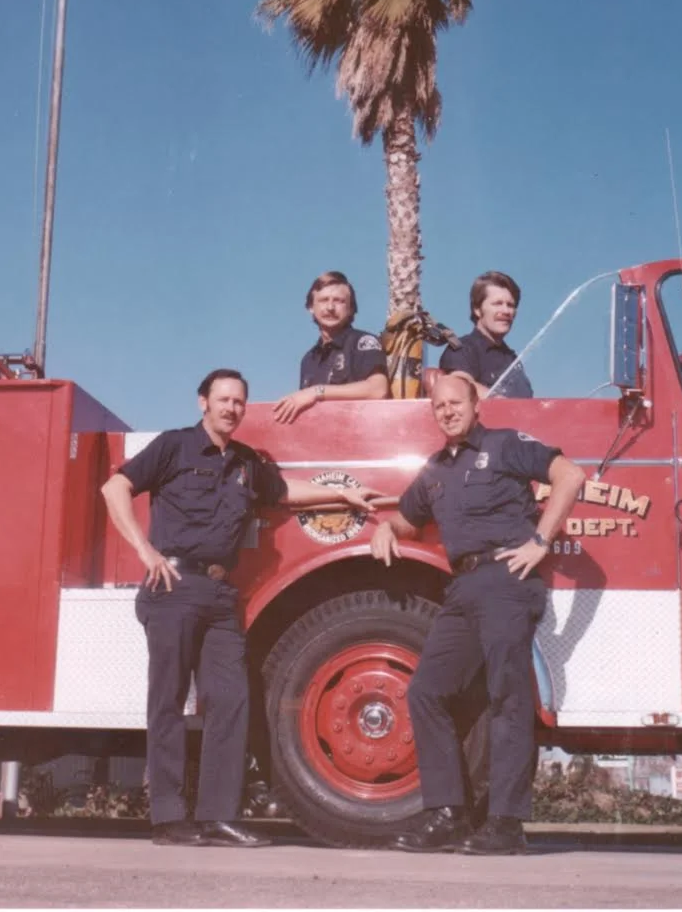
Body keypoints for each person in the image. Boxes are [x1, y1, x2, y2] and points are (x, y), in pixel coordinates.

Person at [102, 368, 382, 847]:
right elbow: (115, 489)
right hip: (173, 585)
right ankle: (169, 819)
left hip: (220, 595)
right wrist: (146, 553)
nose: (231, 408)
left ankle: (218, 816)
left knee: (231, 702)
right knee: (167, 702)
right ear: (202, 403)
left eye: (238, 402)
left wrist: (341, 493)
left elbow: (285, 493)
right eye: (223, 399)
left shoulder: (248, 463)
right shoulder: (174, 446)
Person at [369, 372, 585, 854]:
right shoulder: (434, 470)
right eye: (439, 406)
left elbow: (570, 476)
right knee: (426, 691)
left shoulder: (506, 445)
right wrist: (388, 528)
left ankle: (506, 824)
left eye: (455, 403)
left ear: (475, 405)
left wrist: (539, 542)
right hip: (462, 588)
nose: (447, 411)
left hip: (506, 581)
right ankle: (447, 813)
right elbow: (409, 517)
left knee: (506, 698)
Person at [273, 270, 390, 423]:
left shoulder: (362, 342)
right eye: (323, 300)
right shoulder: (309, 359)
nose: (330, 307)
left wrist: (317, 391)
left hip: (360, 433)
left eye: (339, 301)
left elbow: (378, 390)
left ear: (351, 309)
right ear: (310, 308)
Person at [439, 271, 534, 398]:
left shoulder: (512, 359)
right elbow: (459, 385)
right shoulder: (463, 349)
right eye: (497, 304)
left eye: (510, 305)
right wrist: (502, 404)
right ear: (477, 310)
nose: (506, 311)